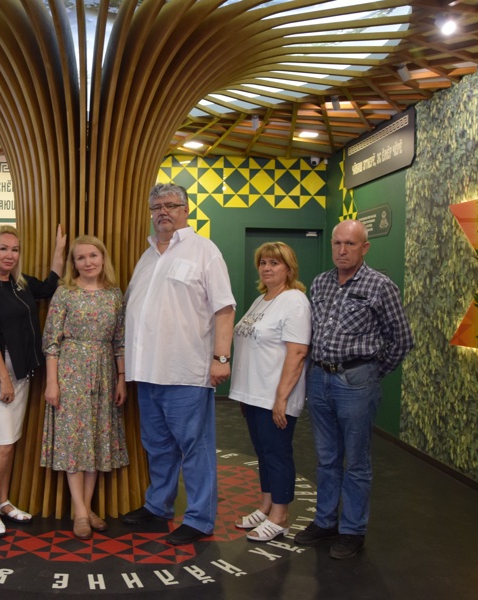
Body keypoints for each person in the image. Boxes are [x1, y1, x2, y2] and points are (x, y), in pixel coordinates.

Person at [123, 183, 235, 546]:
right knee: (158, 446)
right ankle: (158, 507)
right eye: (157, 207)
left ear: (186, 210)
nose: (163, 212)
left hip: (186, 371)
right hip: (147, 372)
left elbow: (224, 308)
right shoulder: (146, 257)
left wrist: (221, 358)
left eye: (171, 205)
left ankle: (200, 519)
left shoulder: (204, 251)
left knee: (195, 448)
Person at [294, 219, 413, 559]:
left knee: (357, 462)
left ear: (365, 247)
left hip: (356, 382)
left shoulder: (380, 286)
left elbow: (402, 340)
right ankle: (325, 521)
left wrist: (371, 373)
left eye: (350, 244)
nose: (342, 250)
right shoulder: (321, 283)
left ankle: (352, 530)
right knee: (326, 458)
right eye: (337, 243)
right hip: (320, 378)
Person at [0, 224, 66, 537]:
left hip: (19, 372)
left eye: (15, 250)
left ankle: (4, 501)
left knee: (9, 443)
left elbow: (49, 286)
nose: (10, 255)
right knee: (1, 443)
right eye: (3, 249)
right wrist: (4, 379)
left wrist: (59, 250)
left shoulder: (20, 284)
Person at [41, 235, 128, 540]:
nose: (88, 262)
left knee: (95, 442)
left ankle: (87, 507)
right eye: (81, 257)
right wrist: (52, 382)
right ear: (73, 263)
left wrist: (121, 378)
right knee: (73, 442)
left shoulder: (115, 294)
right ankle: (80, 512)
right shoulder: (65, 292)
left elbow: (120, 340)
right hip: (71, 372)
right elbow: (51, 341)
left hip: (104, 374)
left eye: (93, 255)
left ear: (103, 258)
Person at [228, 242, 310, 542]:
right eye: (263, 262)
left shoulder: (295, 301)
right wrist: (245, 393)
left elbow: (298, 352)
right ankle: (265, 507)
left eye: (274, 263)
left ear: (289, 268)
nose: (267, 268)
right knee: (263, 453)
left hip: (276, 396)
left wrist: (281, 398)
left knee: (277, 454)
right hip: (254, 394)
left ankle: (280, 516)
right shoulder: (261, 300)